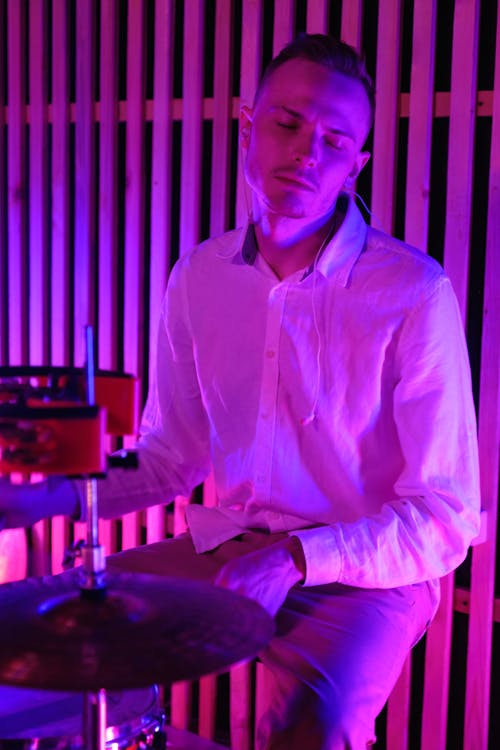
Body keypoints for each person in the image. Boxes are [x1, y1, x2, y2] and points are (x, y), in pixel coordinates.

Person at [0, 35, 480, 749]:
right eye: (288, 124)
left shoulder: (413, 290)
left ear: (358, 164)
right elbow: (172, 457)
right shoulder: (200, 275)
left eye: (334, 140)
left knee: (317, 724)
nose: (307, 152)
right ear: (247, 123)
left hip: (365, 574)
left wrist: (294, 560)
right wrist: (55, 499)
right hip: (232, 545)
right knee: (57, 625)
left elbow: (446, 517)